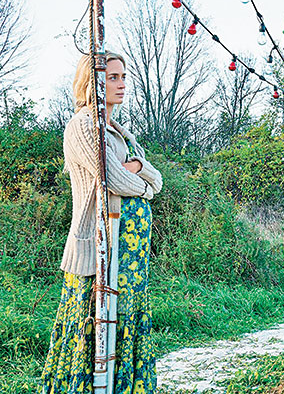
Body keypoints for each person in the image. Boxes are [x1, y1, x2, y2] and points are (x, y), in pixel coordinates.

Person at [42, 52, 162, 394]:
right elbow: (113, 180)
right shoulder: (82, 125)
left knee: (123, 319)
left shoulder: (121, 132)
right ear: (92, 81)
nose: (121, 84)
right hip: (97, 248)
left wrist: (139, 168)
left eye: (123, 77)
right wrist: (143, 182)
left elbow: (157, 179)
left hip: (128, 254)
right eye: (112, 77)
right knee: (93, 324)